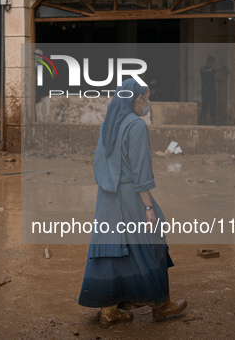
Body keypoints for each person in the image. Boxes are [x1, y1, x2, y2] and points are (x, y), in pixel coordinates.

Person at [78, 78, 186, 328]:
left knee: (111, 250)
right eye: (147, 96)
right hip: (129, 195)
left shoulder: (109, 123)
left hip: (106, 196)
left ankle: (109, 309)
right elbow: (141, 173)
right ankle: (161, 304)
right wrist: (149, 208)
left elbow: (99, 163)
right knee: (153, 242)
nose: (148, 102)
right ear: (138, 98)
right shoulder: (136, 126)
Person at [200, 56, 217, 125]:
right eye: (213, 63)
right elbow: (217, 74)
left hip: (205, 91)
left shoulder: (202, 69)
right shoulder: (210, 70)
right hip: (210, 91)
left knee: (204, 106)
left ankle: (202, 122)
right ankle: (212, 122)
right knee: (212, 107)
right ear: (211, 62)